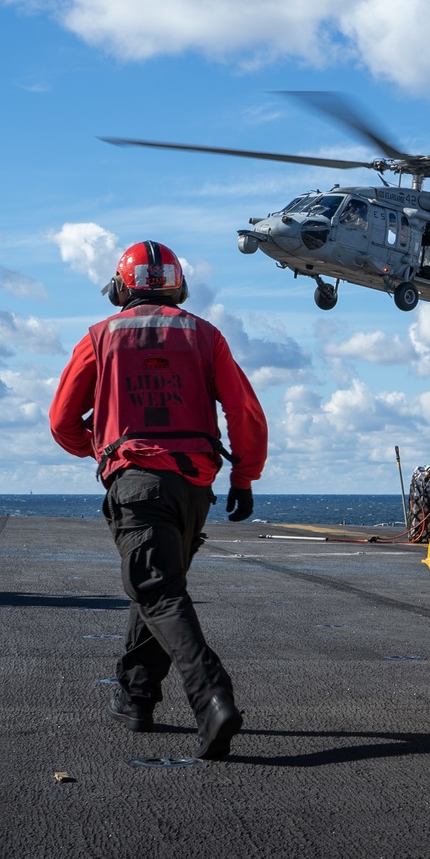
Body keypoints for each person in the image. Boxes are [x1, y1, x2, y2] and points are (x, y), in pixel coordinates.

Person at [49, 240, 268, 760]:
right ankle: (136, 697)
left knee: (158, 592)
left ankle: (211, 696)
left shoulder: (99, 338)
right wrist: (245, 475)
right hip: (193, 487)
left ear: (121, 288)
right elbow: (243, 409)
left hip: (137, 482)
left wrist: (101, 452)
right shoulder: (204, 334)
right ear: (178, 285)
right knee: (158, 587)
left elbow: (61, 421)